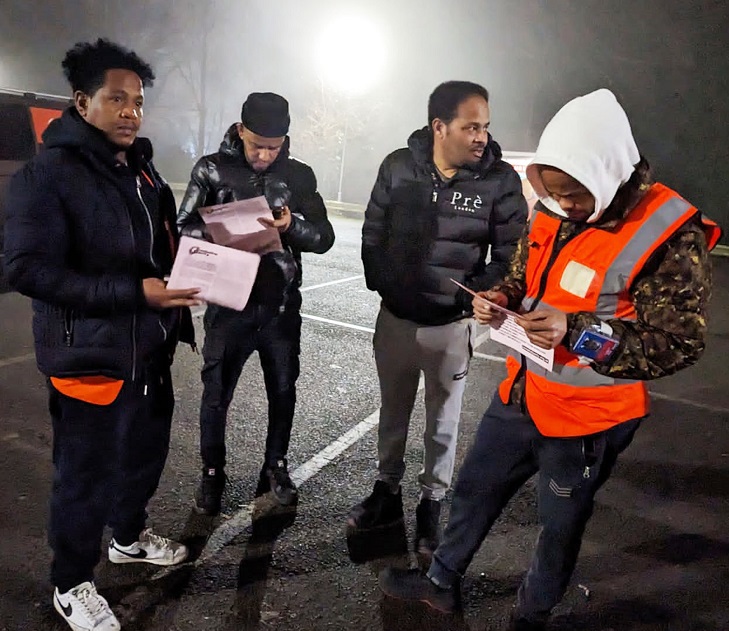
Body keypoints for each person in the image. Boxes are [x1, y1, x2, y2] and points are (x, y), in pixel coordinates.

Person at [378, 88, 722, 630]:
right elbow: (523, 274)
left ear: (607, 170)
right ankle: (441, 580)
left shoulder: (669, 232)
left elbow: (675, 343)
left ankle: (530, 615)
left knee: (558, 524)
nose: (567, 205)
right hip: (523, 390)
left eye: (576, 195)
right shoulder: (552, 207)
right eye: (555, 193)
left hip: (589, 417)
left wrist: (577, 330)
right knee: (474, 487)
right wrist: (502, 299)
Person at [3, 39, 201, 631]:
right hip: (88, 353)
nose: (131, 112)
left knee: (142, 456)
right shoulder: (49, 174)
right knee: (84, 476)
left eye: (138, 101)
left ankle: (129, 539)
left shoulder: (138, 169)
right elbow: (25, 269)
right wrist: (134, 293)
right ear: (82, 101)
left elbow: (154, 248)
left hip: (150, 347)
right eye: (117, 99)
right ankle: (71, 582)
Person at [348, 81, 527, 557]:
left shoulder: (500, 181)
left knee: (443, 423)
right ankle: (386, 491)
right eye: (471, 127)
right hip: (395, 320)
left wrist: (476, 295)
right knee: (392, 413)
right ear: (439, 127)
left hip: (451, 328)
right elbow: (373, 230)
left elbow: (513, 257)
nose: (481, 137)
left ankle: (431, 503)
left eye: (485, 127)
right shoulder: (398, 167)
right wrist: (385, 283)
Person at [177, 92, 335, 514]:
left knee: (283, 391)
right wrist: (223, 231)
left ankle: (276, 466)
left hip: (282, 306)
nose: (265, 155)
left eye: (274, 146)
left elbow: (324, 237)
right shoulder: (211, 168)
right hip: (228, 303)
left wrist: (291, 226)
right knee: (216, 394)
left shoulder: (299, 176)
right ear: (240, 130)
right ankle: (212, 473)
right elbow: (182, 228)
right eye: (257, 145)